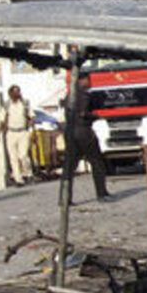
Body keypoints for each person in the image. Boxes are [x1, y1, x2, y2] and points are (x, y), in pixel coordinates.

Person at [64, 72, 110, 202]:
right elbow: (83, 113)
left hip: (70, 132)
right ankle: (101, 193)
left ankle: (65, 198)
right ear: (82, 81)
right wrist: (96, 116)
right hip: (84, 132)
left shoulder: (69, 96)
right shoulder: (84, 95)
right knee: (97, 162)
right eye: (88, 80)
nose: (90, 83)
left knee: (69, 167)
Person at [0, 84, 34, 186]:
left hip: (23, 132)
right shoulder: (7, 105)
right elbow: (2, 120)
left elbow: (31, 117)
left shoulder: (25, 104)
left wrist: (30, 128)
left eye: (18, 91)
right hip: (11, 132)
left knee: (23, 155)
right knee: (13, 157)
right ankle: (18, 179)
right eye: (14, 92)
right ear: (10, 94)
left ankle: (28, 173)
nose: (17, 94)